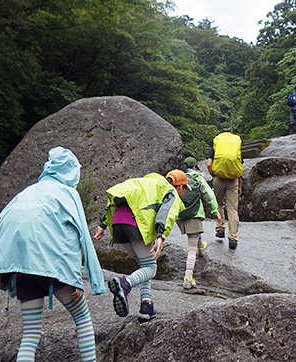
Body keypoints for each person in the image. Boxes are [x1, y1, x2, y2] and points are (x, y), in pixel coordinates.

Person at [0, 146, 105, 362]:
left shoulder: (26, 193)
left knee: (30, 335)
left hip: (24, 273)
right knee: (82, 319)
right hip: (55, 272)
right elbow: (79, 236)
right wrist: (81, 279)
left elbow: (0, 227)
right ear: (71, 171)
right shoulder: (68, 194)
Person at [93, 171, 186, 322]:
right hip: (135, 224)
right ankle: (125, 283)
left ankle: (146, 306)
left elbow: (116, 198)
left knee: (144, 264)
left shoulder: (143, 183)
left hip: (117, 223)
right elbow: (166, 212)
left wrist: (103, 223)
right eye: (184, 189)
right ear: (180, 187)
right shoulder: (170, 191)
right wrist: (161, 236)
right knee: (151, 268)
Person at [178, 157, 223, 289]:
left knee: (195, 234)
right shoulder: (197, 178)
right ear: (194, 167)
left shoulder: (178, 178)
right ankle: (188, 277)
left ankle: (201, 246)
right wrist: (215, 211)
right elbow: (208, 195)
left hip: (180, 216)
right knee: (191, 249)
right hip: (194, 215)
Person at [206, 130, 243, 249]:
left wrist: (214, 175)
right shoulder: (235, 148)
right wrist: (240, 186)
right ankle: (233, 237)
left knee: (219, 204)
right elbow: (239, 167)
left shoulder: (216, 146)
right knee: (232, 209)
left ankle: (220, 228)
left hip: (218, 179)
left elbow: (208, 164)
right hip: (233, 180)